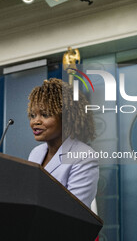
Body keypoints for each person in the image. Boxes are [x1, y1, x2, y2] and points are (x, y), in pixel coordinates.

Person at [27, 78, 99, 208]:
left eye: (45, 115)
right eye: (32, 116)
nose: (35, 122)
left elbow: (75, 210)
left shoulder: (84, 155)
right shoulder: (35, 153)